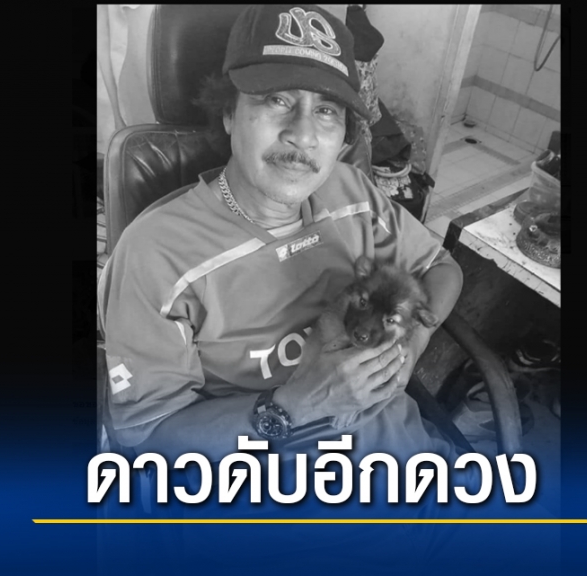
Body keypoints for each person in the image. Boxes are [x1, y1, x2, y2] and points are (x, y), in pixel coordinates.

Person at [97, 4, 465, 466]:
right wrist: (292, 406)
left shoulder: (352, 192)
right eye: (276, 100)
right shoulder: (157, 252)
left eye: (326, 110)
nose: (303, 135)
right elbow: (149, 440)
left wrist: (411, 346)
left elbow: (441, 267)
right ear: (229, 113)